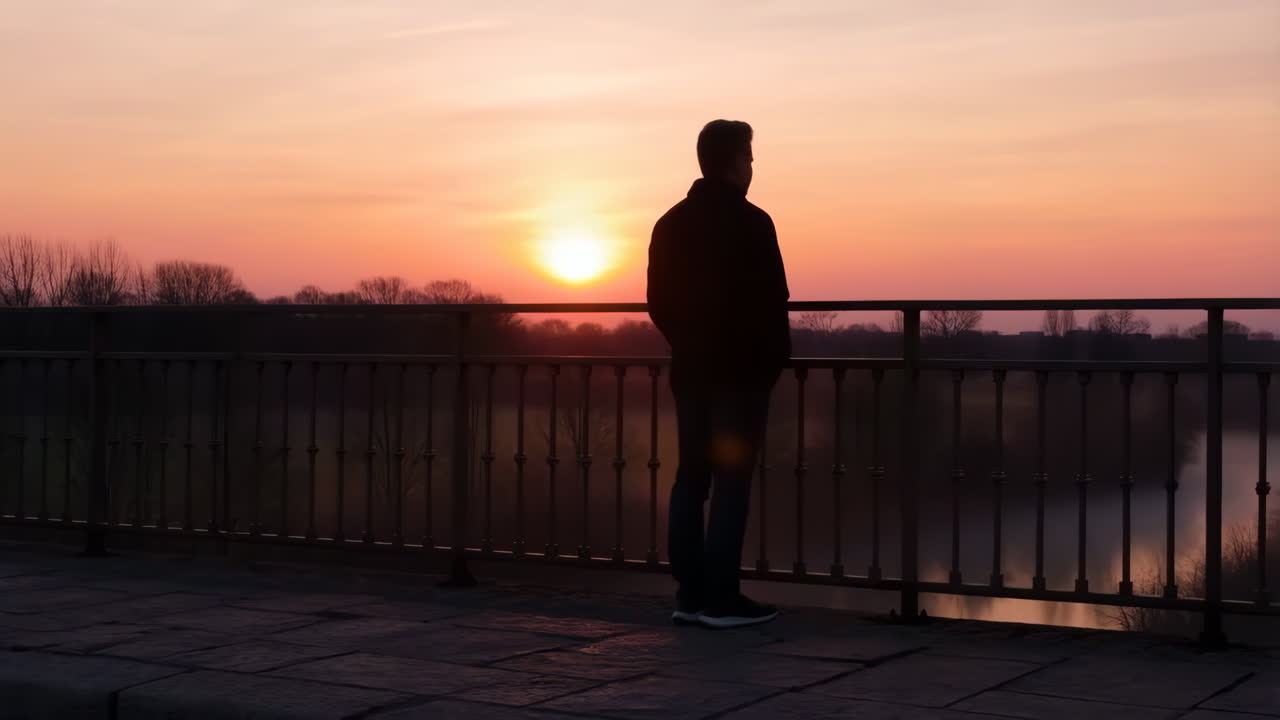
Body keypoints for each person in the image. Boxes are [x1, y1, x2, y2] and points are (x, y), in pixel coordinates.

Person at [646, 119, 790, 629]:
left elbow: (657, 303)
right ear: (732, 162)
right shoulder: (752, 223)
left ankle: (690, 594)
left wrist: (689, 344)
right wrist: (768, 365)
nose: (752, 166)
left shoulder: (670, 224)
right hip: (740, 378)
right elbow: (775, 302)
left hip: (692, 373)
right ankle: (722, 598)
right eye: (749, 157)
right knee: (732, 482)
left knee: (691, 480)